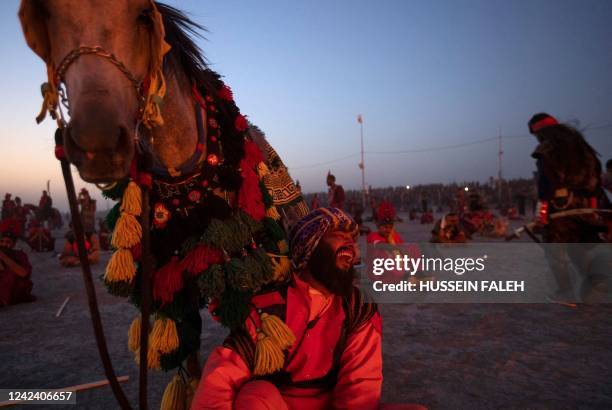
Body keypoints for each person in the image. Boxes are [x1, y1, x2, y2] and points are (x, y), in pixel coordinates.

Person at [193, 208, 382, 409]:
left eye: (352, 239)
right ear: (312, 247)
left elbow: (361, 384)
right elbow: (223, 375)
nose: (350, 244)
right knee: (256, 395)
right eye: (338, 235)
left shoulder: (357, 306)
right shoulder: (270, 309)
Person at [528, 113, 609, 302]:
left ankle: (565, 291)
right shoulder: (583, 148)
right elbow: (597, 180)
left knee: (555, 251)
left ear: (540, 131)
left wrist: (543, 212)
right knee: (578, 246)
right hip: (587, 207)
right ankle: (595, 282)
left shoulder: (547, 148)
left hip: (560, 208)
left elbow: (546, 183)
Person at [0, 219, 34, 307]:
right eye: (2, 241)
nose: (4, 244)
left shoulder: (20, 255)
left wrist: (4, 258)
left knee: (10, 273)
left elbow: (24, 273)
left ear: (14, 244)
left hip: (16, 289)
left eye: (8, 242)